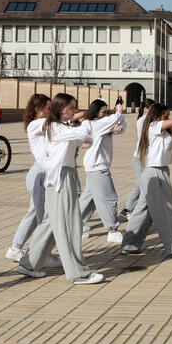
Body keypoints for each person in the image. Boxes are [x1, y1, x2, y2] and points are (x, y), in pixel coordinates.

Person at [15, 93, 106, 285]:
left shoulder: (60, 127)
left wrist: (83, 134)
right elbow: (82, 133)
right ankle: (78, 272)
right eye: (70, 107)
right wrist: (88, 119)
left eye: (75, 107)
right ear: (60, 109)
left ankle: (29, 264)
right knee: (69, 225)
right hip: (58, 178)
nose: (74, 110)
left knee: (51, 224)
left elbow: (81, 139)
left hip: (65, 176)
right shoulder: (51, 126)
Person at [121, 103, 172, 258]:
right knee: (167, 213)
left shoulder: (162, 129)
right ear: (159, 115)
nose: (168, 118)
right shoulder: (153, 126)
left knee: (142, 212)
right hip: (154, 173)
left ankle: (129, 245)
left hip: (158, 172)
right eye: (166, 115)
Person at [5, 94, 62, 266]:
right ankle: (42, 255)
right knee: (43, 218)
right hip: (39, 175)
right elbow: (52, 123)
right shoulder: (36, 124)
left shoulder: (44, 124)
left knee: (34, 214)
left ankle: (15, 248)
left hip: (42, 173)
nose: (50, 111)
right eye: (48, 108)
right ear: (38, 110)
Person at [79, 99, 127, 243]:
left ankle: (74, 225)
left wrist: (119, 126)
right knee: (109, 198)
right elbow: (117, 118)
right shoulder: (96, 124)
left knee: (89, 200)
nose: (106, 114)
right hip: (98, 168)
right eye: (103, 112)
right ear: (95, 111)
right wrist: (119, 111)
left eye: (107, 112)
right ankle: (112, 230)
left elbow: (121, 125)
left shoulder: (101, 123)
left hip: (94, 167)